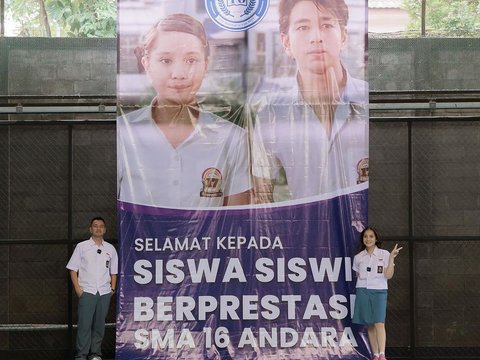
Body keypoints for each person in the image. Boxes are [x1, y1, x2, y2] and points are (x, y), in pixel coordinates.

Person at [117, 13, 251, 208]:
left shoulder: (233, 139)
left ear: (206, 66)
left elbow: (237, 220)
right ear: (146, 64)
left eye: (191, 60)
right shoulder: (123, 133)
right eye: (165, 60)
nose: (179, 74)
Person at [252, 0, 368, 210]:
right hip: (301, 237)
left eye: (326, 25)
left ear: (343, 36)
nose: (316, 37)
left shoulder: (369, 101)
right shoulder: (271, 114)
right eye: (303, 27)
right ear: (286, 42)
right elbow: (262, 197)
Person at [66, 217, 118, 360]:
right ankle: (81, 355)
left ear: (105, 230)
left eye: (101, 226)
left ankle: (95, 354)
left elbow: (113, 271)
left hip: (104, 292)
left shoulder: (110, 249)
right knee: (84, 326)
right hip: (87, 292)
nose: (98, 228)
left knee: (99, 326)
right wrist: (78, 289)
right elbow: (72, 269)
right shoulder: (82, 247)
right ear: (91, 229)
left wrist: (112, 289)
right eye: (95, 226)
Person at [352, 227, 402, 360]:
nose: (368, 239)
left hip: (379, 291)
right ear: (363, 239)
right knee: (370, 323)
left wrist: (391, 258)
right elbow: (357, 274)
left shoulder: (385, 254)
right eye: (365, 236)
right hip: (363, 291)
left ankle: (382, 355)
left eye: (371, 236)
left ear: (376, 239)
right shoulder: (358, 258)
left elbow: (389, 275)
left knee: (379, 322)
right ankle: (374, 354)